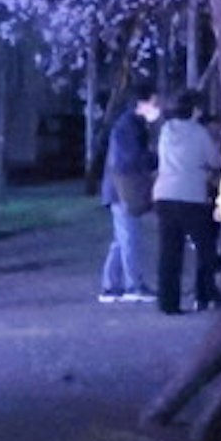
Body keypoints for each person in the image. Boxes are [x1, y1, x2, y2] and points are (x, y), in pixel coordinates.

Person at [151, 91, 221, 316]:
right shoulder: (198, 133)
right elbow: (215, 160)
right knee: (206, 248)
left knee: (169, 251)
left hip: (164, 194)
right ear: (194, 109)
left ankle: (168, 302)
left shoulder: (165, 130)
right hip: (190, 196)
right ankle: (214, 293)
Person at [99, 96, 161, 303]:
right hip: (123, 190)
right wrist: (157, 159)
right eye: (154, 102)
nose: (157, 107)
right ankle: (133, 286)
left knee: (122, 239)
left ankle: (111, 286)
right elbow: (132, 158)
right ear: (141, 103)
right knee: (129, 238)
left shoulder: (129, 125)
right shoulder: (128, 127)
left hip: (118, 189)